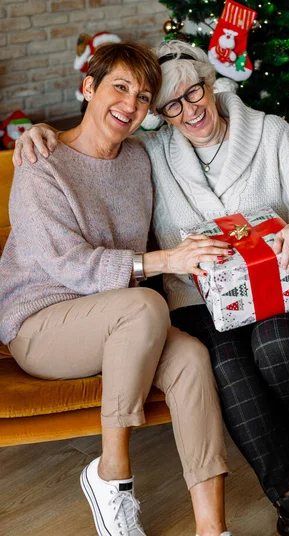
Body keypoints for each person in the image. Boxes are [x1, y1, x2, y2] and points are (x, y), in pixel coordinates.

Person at [14, 40, 289, 536]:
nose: (187, 109)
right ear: (159, 116)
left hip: (282, 283)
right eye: (170, 104)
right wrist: (40, 133)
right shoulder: (138, 155)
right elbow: (84, 157)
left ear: (210, 85)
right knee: (195, 338)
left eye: (192, 92)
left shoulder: (248, 134)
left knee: (240, 350)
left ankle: (262, 500)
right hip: (148, 301)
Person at [2, 42, 235, 536]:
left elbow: (198, 131)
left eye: (144, 97)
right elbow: (68, 265)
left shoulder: (137, 159)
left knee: (192, 360)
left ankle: (212, 528)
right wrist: (165, 260)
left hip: (126, 319)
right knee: (144, 303)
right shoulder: (41, 164)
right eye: (120, 87)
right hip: (42, 326)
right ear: (88, 88)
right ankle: (111, 475)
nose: (131, 104)